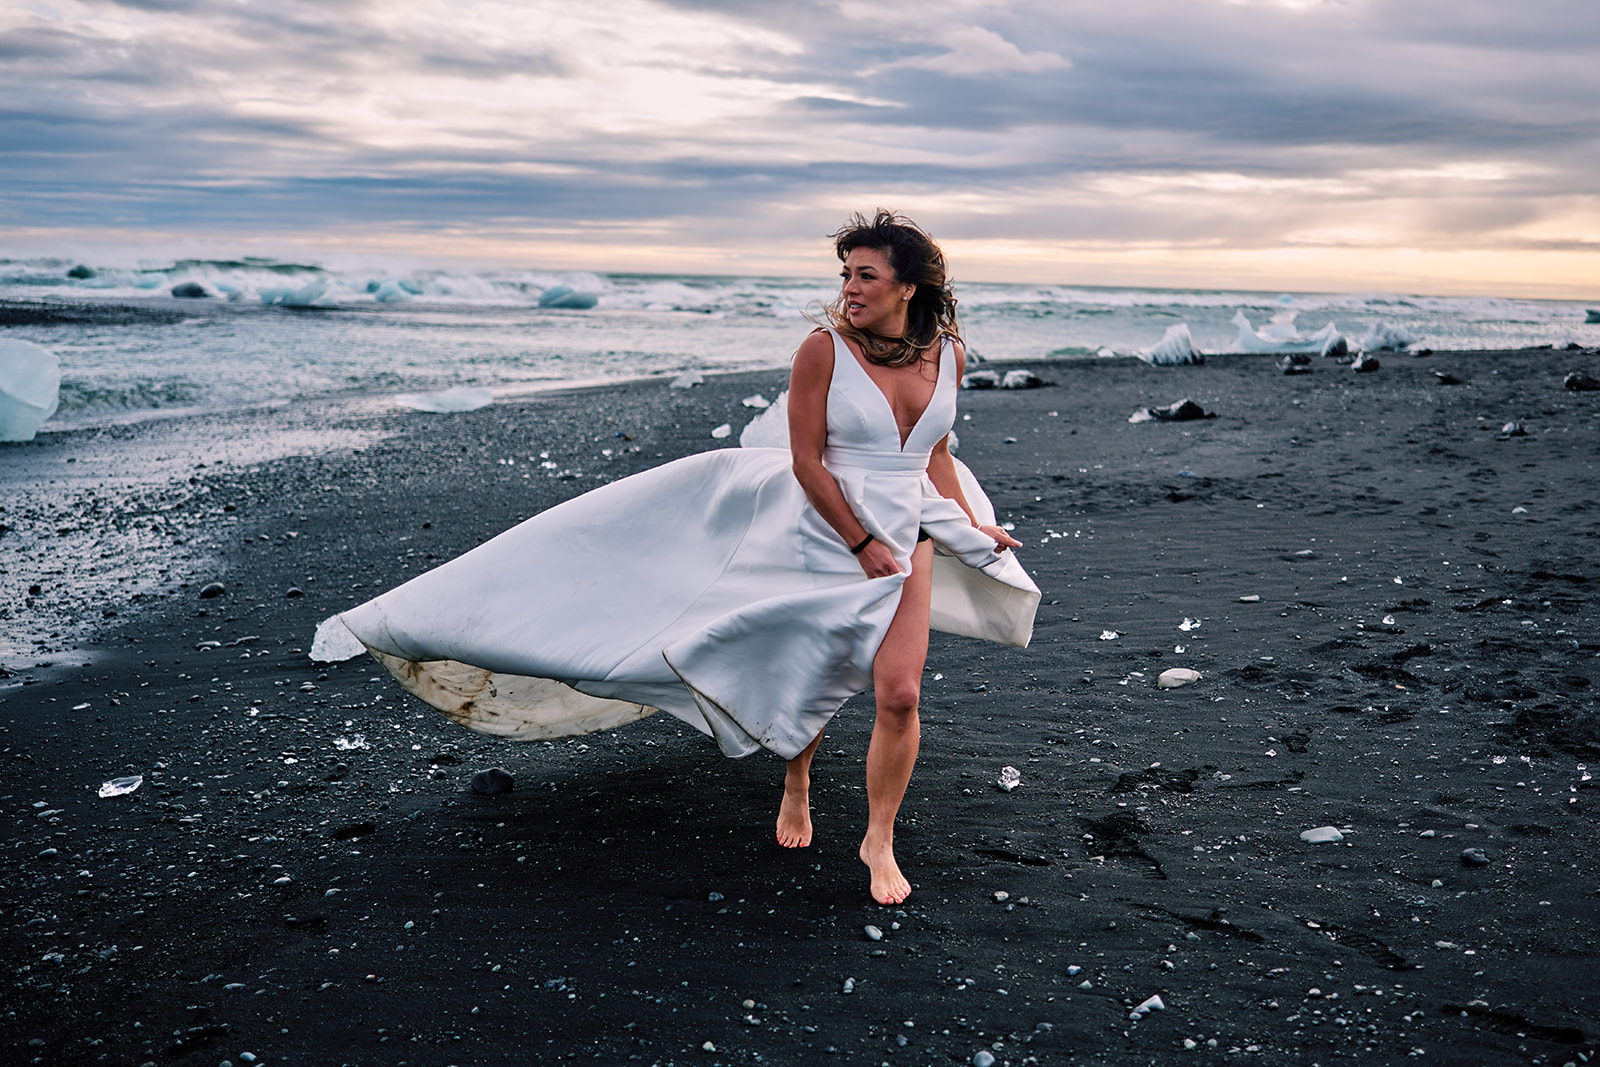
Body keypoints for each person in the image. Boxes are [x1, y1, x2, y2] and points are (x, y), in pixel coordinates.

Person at [338, 210, 1039, 905]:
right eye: (845, 273)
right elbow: (804, 462)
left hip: (910, 533)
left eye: (866, 275)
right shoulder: (823, 350)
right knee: (820, 666)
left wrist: (977, 526)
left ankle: (877, 837)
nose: (850, 287)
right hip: (829, 532)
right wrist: (860, 542)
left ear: (908, 286)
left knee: (900, 691)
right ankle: (797, 783)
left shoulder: (946, 353)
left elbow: (935, 454)